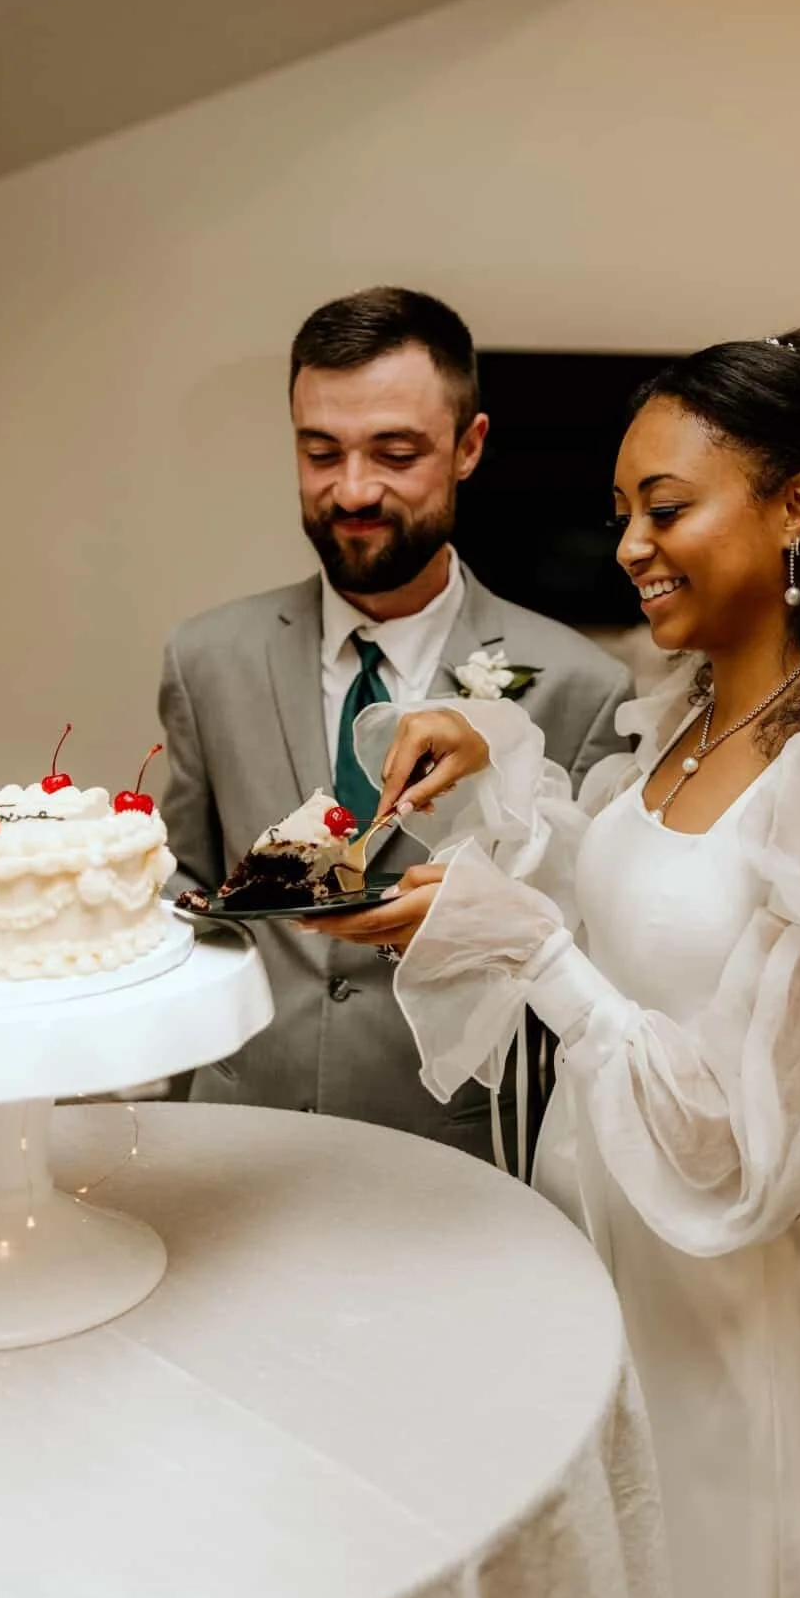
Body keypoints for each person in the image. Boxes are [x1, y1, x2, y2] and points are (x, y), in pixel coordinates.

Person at [313, 330, 800, 1598]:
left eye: (667, 507)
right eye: (622, 511)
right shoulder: (688, 712)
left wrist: (531, 951)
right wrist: (493, 773)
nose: (631, 543)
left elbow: (749, 1155)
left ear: (798, 503)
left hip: (735, 1347)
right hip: (603, 1287)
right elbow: (625, 907)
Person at [158, 286, 631, 1163]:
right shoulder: (204, 657)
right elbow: (184, 889)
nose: (354, 489)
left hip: (453, 1158)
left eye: (396, 452)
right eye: (320, 451)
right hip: (233, 1133)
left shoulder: (581, 686)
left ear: (468, 447)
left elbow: (594, 943)